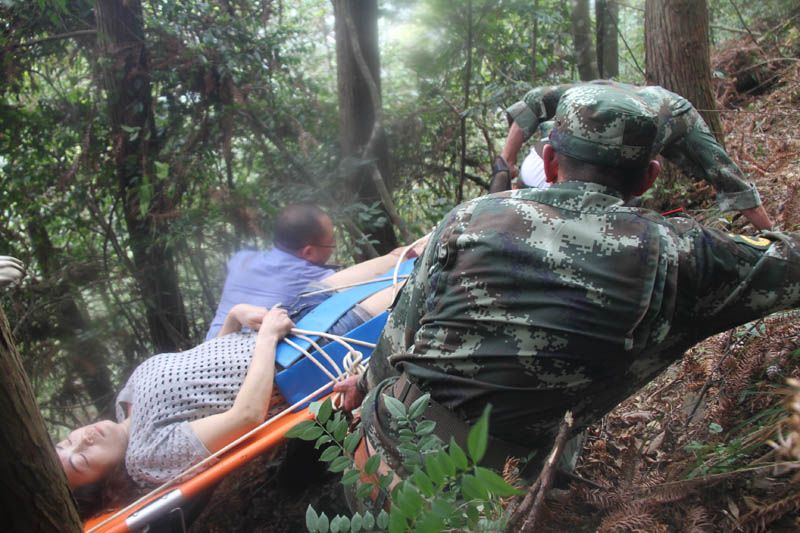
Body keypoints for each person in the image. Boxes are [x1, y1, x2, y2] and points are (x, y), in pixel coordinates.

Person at [335, 84, 800, 508]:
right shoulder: (683, 255)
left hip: (382, 458)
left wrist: (359, 390)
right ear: (649, 178)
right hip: (496, 497)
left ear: (550, 160)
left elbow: (398, 341)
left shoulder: (470, 217)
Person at [55, 243, 424, 516]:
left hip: (284, 320)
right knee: (417, 279)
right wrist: (266, 340)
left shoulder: (127, 402)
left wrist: (234, 318)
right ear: (105, 490)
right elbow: (244, 416)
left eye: (67, 442)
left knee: (399, 258)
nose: (82, 440)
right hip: (301, 354)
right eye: (81, 461)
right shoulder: (148, 457)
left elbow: (204, 372)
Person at [491, 80, 773, 230]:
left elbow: (728, 177)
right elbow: (534, 102)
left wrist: (769, 234)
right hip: (550, 168)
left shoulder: (676, 113)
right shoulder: (585, 96)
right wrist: (506, 162)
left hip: (576, 175)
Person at [205, 204, 337, 339]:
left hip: (207, 351)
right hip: (249, 358)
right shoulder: (314, 277)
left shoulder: (241, 259)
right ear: (308, 252)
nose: (333, 249)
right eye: (332, 243)